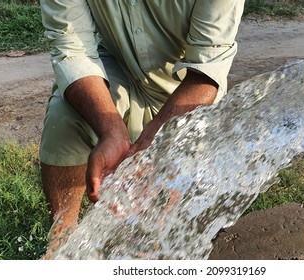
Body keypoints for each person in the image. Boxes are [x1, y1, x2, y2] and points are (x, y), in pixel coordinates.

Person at [38, 0, 245, 249]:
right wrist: (111, 132)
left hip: (184, 90)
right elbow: (72, 50)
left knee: (178, 227)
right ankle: (61, 241)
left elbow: (206, 71)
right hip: (117, 66)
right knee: (65, 116)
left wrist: (154, 145)